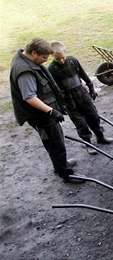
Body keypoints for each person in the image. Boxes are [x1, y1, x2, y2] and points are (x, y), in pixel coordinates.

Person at [9, 38, 85, 184]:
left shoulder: (25, 59)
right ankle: (66, 174)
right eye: (44, 58)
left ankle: (60, 165)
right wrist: (51, 111)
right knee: (54, 143)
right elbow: (29, 97)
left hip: (43, 113)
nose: (45, 61)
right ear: (33, 53)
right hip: (40, 115)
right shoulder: (25, 71)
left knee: (55, 140)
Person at [48, 41, 113, 155]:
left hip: (82, 94)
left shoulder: (73, 61)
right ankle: (88, 144)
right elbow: (55, 89)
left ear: (65, 53)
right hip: (69, 100)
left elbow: (83, 75)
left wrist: (91, 88)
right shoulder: (52, 69)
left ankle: (100, 137)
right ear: (52, 56)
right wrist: (61, 105)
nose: (61, 61)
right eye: (58, 59)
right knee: (81, 123)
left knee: (93, 116)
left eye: (62, 57)